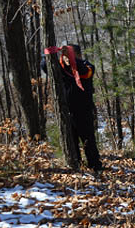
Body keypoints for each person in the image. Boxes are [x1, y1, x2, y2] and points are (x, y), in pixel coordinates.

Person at [42, 44, 103, 173]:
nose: (66, 58)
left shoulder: (87, 66)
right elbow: (45, 66)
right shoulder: (61, 69)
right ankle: (76, 166)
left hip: (84, 111)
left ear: (78, 55)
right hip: (66, 112)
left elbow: (85, 73)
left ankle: (95, 167)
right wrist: (47, 54)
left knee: (88, 141)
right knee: (72, 142)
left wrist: (74, 61)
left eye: (69, 54)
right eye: (64, 55)